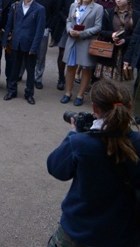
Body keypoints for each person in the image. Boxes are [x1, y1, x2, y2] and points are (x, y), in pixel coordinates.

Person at [47, 78, 140, 247]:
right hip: (123, 235)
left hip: (79, 232)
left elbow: (55, 168)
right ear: (130, 107)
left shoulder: (81, 144)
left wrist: (73, 134)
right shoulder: (137, 143)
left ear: (95, 108)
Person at [2, 0, 46, 105]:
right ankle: (12, 90)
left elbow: (39, 30)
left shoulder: (39, 9)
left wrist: (34, 47)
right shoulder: (15, 6)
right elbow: (9, 24)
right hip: (16, 43)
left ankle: (29, 93)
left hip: (30, 44)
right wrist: (5, 40)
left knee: (30, 70)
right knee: (14, 69)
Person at [61, 0, 104, 106]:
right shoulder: (73, 6)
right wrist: (69, 30)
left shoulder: (98, 8)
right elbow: (69, 20)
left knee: (86, 68)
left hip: (86, 41)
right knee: (70, 66)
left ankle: (80, 95)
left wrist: (82, 33)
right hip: (72, 40)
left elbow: (98, 26)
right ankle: (68, 93)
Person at [94, 0, 138, 81]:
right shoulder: (108, 12)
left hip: (125, 50)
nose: (118, 0)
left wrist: (125, 40)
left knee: (119, 79)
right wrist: (112, 35)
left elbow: (136, 35)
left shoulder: (136, 15)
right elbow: (101, 30)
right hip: (109, 48)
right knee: (105, 78)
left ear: (128, 0)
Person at [56, 0, 86, 91]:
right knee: (62, 52)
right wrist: (67, 20)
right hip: (66, 27)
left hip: (81, 28)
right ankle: (61, 78)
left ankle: (74, 76)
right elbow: (59, 10)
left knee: (78, 53)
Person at [33, 0, 59, 89]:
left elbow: (55, 14)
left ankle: (38, 77)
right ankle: (20, 73)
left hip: (44, 29)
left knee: (41, 55)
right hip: (29, 28)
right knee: (24, 52)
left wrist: (49, 27)